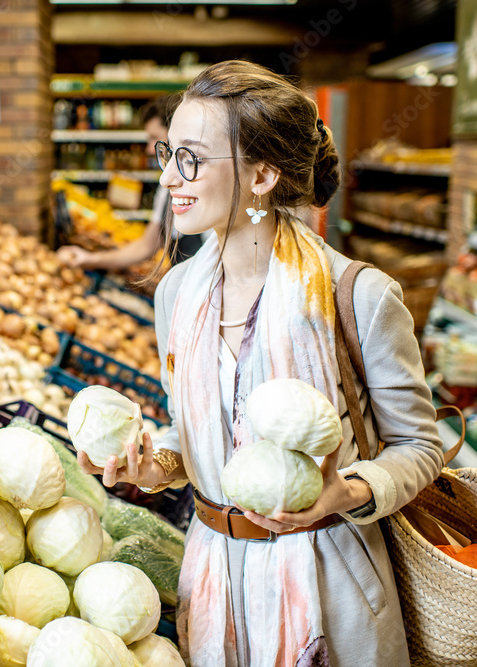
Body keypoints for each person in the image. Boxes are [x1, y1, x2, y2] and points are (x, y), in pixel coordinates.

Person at [77, 60, 444, 666]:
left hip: (332, 586)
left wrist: (342, 493)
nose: (169, 176)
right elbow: (196, 436)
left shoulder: (356, 295)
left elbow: (420, 448)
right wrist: (153, 465)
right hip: (213, 580)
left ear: (264, 174)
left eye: (190, 158)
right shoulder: (176, 295)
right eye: (167, 154)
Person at [56, 95, 204, 270]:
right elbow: (148, 245)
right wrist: (90, 259)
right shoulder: (165, 190)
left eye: (154, 137)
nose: (150, 149)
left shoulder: (204, 186)